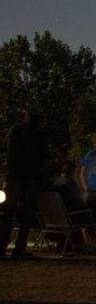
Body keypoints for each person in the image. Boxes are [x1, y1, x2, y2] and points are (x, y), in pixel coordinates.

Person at [1, 109, 49, 259]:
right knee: (26, 212)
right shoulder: (39, 134)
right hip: (31, 177)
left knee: (7, 213)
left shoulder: (14, 130)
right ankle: (19, 249)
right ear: (40, 121)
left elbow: (5, 147)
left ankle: (1, 248)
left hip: (13, 176)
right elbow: (44, 156)